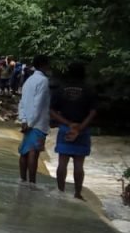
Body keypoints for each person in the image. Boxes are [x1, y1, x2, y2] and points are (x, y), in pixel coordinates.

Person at [50, 61, 98, 200]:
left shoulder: (61, 89)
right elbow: (93, 112)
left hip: (66, 128)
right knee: (79, 164)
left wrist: (68, 124)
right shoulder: (89, 90)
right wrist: (80, 127)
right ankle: (77, 193)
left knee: (62, 163)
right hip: (83, 130)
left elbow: (52, 110)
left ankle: (60, 191)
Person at [17, 54, 51, 184]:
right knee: (33, 152)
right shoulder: (43, 81)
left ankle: (23, 179)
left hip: (27, 121)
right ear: (44, 65)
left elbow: (22, 102)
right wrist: (30, 123)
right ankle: (32, 182)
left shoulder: (29, 80)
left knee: (25, 151)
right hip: (37, 123)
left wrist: (24, 120)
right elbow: (39, 104)